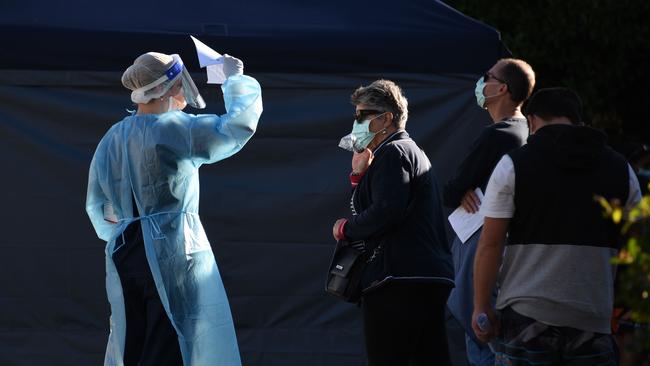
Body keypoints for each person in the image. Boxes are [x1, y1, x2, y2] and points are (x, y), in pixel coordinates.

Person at [86, 51, 262, 366]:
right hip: (173, 252)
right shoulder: (176, 129)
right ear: (166, 88)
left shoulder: (111, 138)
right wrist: (235, 81)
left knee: (133, 345)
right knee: (171, 344)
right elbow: (236, 128)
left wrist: (126, 231)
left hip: (125, 252)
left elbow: (99, 207)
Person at [472, 87, 642, 365]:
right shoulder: (621, 169)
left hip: (525, 316)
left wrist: (481, 306)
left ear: (533, 122)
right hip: (593, 316)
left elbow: (491, 244)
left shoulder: (513, 165)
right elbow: (635, 247)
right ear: (579, 122)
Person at [332, 79, 454, 365]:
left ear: (385, 118)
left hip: (398, 279)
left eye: (362, 115)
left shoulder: (392, 152)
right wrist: (358, 177)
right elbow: (384, 205)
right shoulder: (409, 151)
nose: (356, 122)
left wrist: (345, 229)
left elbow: (386, 211)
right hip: (424, 277)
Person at [443, 58, 535, 365]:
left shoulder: (498, 135)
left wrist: (461, 189)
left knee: (482, 336)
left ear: (501, 88)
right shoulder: (526, 131)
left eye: (487, 76)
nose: (481, 82)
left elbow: (452, 190)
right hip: (507, 248)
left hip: (480, 244)